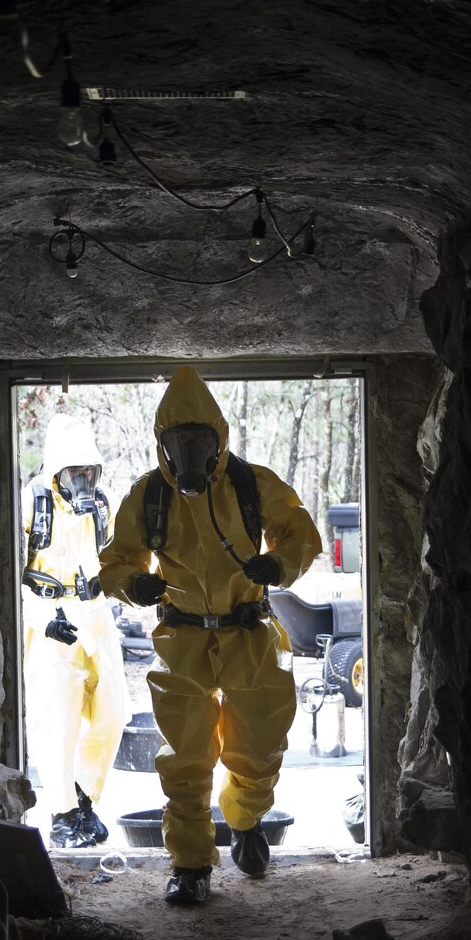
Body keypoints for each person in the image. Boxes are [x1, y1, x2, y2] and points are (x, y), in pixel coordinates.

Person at [100, 367, 322, 905]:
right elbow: (117, 560)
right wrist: (136, 583)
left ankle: (245, 818)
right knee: (187, 756)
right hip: (182, 641)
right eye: (180, 441)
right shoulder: (150, 495)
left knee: (259, 744)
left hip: (249, 635)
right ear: (164, 444)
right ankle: (192, 863)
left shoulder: (252, 484)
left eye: (200, 440)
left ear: (218, 439)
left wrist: (278, 564)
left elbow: (298, 531)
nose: (190, 450)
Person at [21, 413, 132, 845]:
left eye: (90, 469)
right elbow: (13, 572)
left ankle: (84, 797)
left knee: (113, 712)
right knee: (59, 721)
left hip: (95, 614)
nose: (84, 478)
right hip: (50, 617)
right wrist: (44, 620)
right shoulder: (33, 502)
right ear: (57, 471)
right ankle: (62, 816)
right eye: (75, 470)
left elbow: (115, 557)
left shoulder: (99, 506)